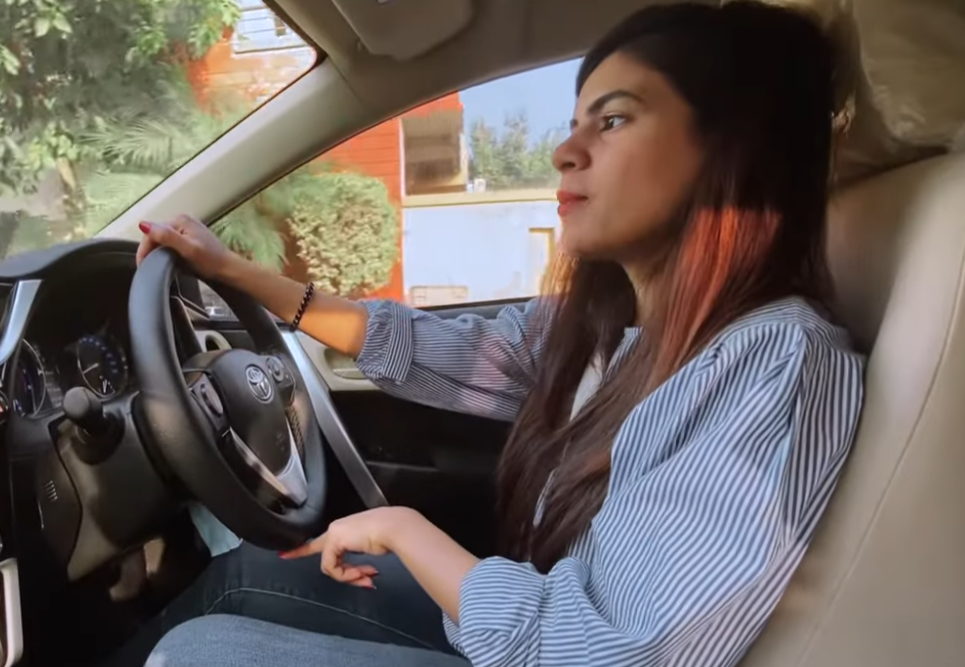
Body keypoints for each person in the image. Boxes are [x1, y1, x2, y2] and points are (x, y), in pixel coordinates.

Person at [124, 2, 866, 666]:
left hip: (560, 648)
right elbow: (422, 346)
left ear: (731, 149)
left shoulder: (776, 363)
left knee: (195, 653)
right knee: (248, 571)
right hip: (537, 622)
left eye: (611, 120)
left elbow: (606, 655)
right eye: (574, 121)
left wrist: (408, 530)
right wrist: (233, 271)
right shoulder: (616, 334)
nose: (563, 151)